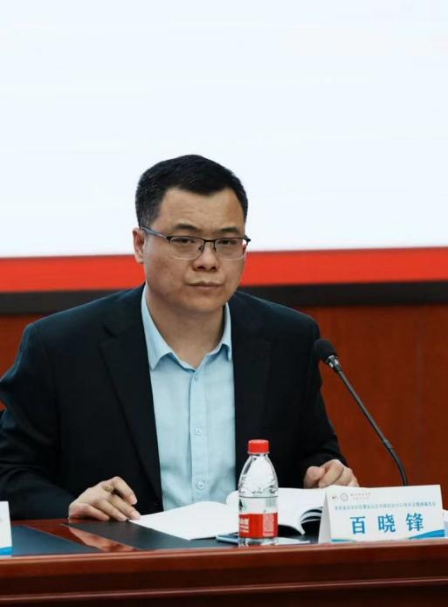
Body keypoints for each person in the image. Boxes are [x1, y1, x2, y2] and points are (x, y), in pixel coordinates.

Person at [0, 155, 357, 521]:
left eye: (227, 242)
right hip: (119, 554)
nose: (208, 261)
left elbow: (314, 454)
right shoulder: (62, 347)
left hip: (253, 553)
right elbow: (10, 472)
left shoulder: (289, 339)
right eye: (185, 240)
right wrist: (72, 507)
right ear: (140, 244)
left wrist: (326, 476)